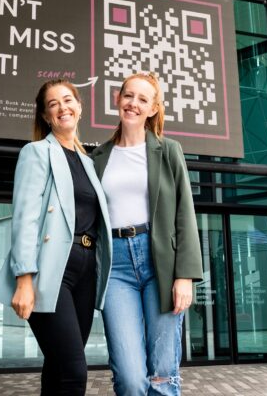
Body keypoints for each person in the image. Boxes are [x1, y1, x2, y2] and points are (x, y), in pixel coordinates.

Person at [0, 79, 112, 395]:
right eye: (54, 103)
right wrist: (24, 278)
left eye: (68, 99)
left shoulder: (89, 161)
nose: (63, 107)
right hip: (50, 271)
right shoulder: (36, 152)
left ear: (79, 107)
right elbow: (25, 217)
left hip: (86, 271)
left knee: (59, 367)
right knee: (74, 372)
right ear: (45, 116)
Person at [90, 72, 203, 396]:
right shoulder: (98, 157)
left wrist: (185, 276)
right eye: (128, 96)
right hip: (116, 266)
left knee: (163, 374)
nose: (133, 104)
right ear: (117, 99)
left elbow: (185, 211)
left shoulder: (168, 151)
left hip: (161, 265)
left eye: (142, 99)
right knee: (129, 377)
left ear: (153, 108)